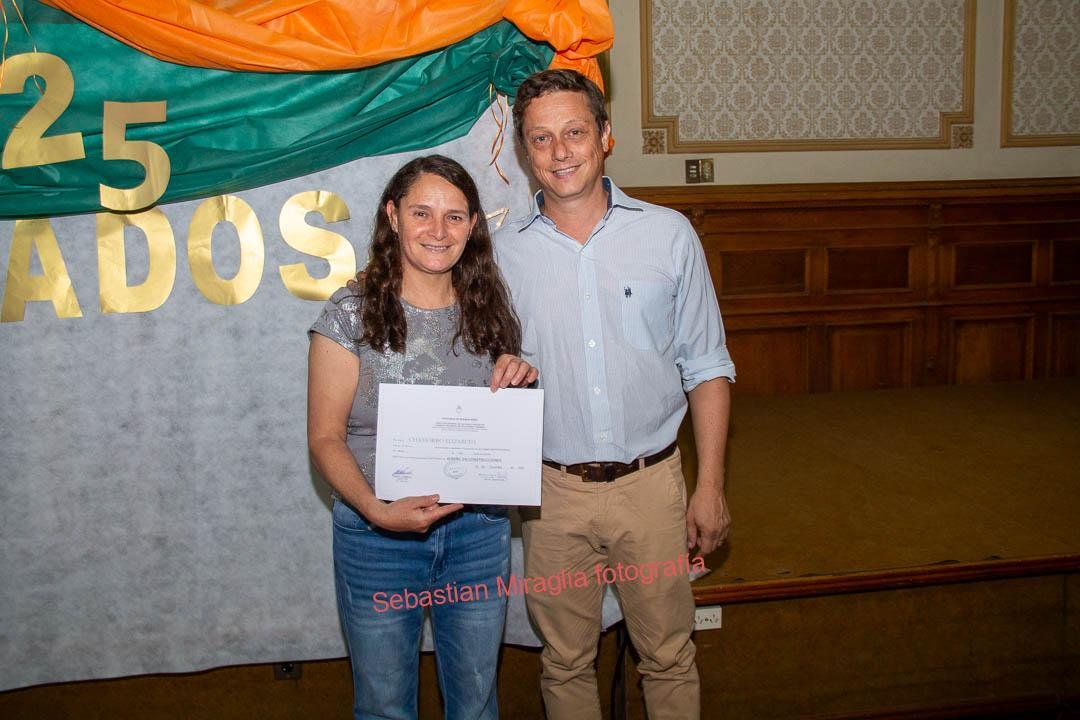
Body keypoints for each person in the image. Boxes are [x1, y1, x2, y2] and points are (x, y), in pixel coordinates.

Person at [494, 70, 736, 720]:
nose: (559, 152)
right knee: (565, 662)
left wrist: (710, 486)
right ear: (524, 151)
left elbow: (707, 366)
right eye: (540, 138)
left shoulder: (669, 235)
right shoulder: (501, 256)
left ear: (606, 136)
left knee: (668, 656)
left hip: (651, 488)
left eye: (575, 132)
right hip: (551, 498)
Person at [307, 154, 537, 720]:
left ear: (474, 225)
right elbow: (325, 438)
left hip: (477, 534)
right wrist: (376, 511)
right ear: (392, 216)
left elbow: (496, 425)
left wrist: (517, 378)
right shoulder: (351, 313)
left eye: (455, 216)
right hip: (376, 538)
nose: (439, 230)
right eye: (421, 213)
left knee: (476, 704)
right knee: (384, 705)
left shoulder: (490, 310)